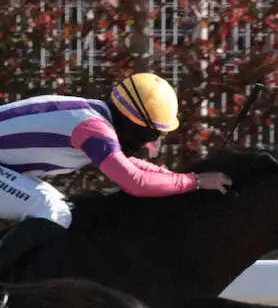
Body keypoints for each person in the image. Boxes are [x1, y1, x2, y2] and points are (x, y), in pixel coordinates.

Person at [0, 72, 233, 277]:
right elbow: (134, 181)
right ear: (134, 125)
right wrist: (196, 182)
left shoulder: (96, 116)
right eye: (151, 135)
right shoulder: (94, 129)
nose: (151, 143)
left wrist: (183, 178)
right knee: (54, 211)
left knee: (60, 207)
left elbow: (131, 165)